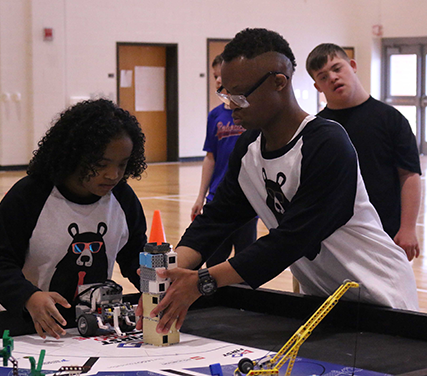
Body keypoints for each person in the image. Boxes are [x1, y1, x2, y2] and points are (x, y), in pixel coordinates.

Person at [136, 28, 419, 335]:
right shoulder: (248, 149)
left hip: (382, 296)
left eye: (240, 95)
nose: (231, 106)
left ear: (278, 83)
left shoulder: (327, 144)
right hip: (324, 299)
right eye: (226, 95)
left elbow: (292, 239)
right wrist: (172, 271)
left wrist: (202, 281)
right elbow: (217, 219)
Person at [0, 99, 147, 339]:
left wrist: (153, 289)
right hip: (22, 326)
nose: (114, 175)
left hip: (89, 327)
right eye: (101, 164)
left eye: (123, 164)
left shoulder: (123, 198)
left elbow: (134, 258)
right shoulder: (29, 196)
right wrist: (29, 296)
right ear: (74, 155)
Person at [306, 43, 421, 261]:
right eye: (323, 76)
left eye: (337, 68)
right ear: (317, 86)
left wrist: (408, 228)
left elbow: (409, 175)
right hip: (333, 238)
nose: (332, 77)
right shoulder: (315, 128)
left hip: (385, 234)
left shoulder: (391, 119)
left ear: (352, 65)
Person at [191, 54, 257, 267]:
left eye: (221, 75)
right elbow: (210, 156)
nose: (218, 80)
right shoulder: (215, 115)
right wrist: (201, 196)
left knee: (245, 262)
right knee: (214, 262)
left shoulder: (251, 114)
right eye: (215, 76)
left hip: (247, 198)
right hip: (217, 198)